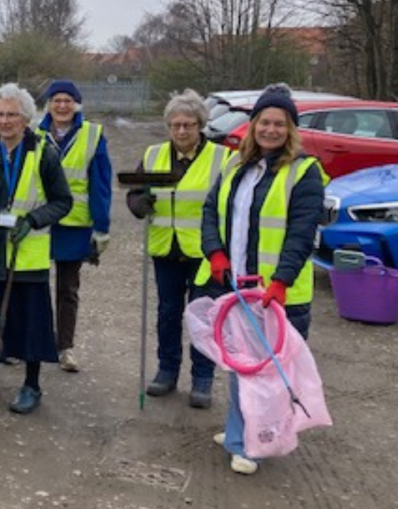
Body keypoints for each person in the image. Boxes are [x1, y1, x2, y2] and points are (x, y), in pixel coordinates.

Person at [201, 83, 324, 475]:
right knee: (241, 365)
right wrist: (215, 252)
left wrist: (282, 281)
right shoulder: (235, 165)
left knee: (266, 373)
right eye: (264, 122)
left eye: (280, 124)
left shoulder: (304, 172)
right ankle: (240, 427)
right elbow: (209, 211)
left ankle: (250, 442)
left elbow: (302, 233)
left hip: (274, 292)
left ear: (291, 130)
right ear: (253, 126)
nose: (271, 130)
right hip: (235, 285)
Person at [0, 83, 72, 415]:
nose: (4, 121)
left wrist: (34, 220)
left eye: (11, 115)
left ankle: (31, 384)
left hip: (26, 254)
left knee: (30, 321)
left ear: (26, 118)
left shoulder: (43, 153)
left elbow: (62, 201)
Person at [126, 89, 230, 409]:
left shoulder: (222, 158)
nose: (181, 131)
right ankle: (167, 370)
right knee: (168, 314)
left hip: (204, 254)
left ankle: (202, 378)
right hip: (165, 249)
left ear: (200, 125)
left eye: (188, 125)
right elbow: (135, 192)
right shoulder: (154, 154)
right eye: (175, 125)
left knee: (203, 317)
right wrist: (139, 203)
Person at [37, 79, 112, 373]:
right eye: (57, 100)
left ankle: (64, 347)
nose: (62, 106)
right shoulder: (34, 132)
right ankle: (34, 342)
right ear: (49, 104)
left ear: (77, 104)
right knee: (34, 285)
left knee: (68, 289)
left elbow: (101, 184)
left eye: (68, 100)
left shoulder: (93, 135)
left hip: (75, 224)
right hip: (40, 221)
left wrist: (101, 227)